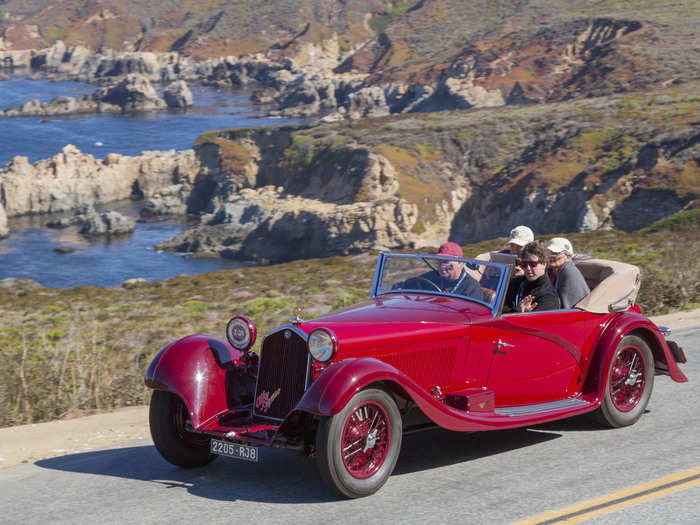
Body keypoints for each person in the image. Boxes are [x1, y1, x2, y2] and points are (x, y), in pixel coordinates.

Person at [404, 242, 485, 301]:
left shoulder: (472, 287)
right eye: (439, 261)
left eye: (446, 262)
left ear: (459, 262)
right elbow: (408, 286)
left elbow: (473, 316)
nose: (441, 266)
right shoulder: (430, 277)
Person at [503, 240, 559, 313]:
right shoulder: (516, 282)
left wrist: (521, 314)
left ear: (544, 264)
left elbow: (538, 323)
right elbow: (503, 308)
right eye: (524, 264)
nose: (528, 268)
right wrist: (518, 311)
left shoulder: (548, 297)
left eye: (533, 264)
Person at [547, 237, 590, 309]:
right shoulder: (557, 271)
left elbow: (568, 308)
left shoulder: (569, 272)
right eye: (549, 253)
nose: (551, 256)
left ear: (568, 256)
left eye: (555, 253)